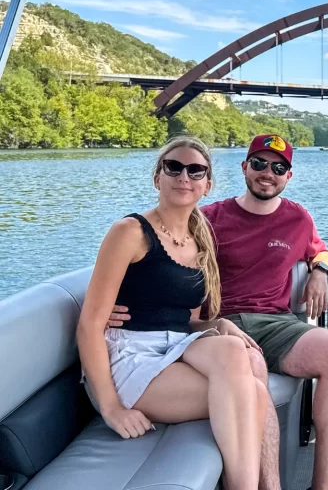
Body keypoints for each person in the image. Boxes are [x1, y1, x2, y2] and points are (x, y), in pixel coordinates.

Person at [110, 134, 328, 490]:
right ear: (244, 168)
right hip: (217, 325)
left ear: (288, 176)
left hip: (276, 322)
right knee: (249, 365)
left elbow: (317, 248)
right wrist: (115, 306)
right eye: (258, 163)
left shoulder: (298, 218)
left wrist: (320, 270)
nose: (267, 173)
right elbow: (156, 259)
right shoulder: (207, 219)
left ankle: (325, 486)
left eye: (278, 167)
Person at [78, 136, 268, 490]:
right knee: (253, 395)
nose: (185, 176)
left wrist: (218, 323)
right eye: (174, 167)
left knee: (230, 347)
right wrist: (111, 408)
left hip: (174, 349)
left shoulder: (201, 238)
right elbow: (89, 324)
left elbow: (186, 320)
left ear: (207, 185)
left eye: (196, 170)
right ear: (157, 178)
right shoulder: (130, 232)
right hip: (130, 355)